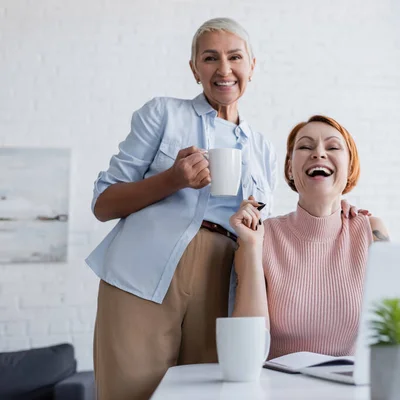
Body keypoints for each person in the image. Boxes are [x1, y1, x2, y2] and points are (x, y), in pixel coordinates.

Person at [86, 18, 277, 400]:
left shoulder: (262, 147)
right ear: (194, 69)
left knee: (205, 393)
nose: (224, 69)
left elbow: (264, 229)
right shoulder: (163, 114)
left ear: (252, 67)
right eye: (210, 58)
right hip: (143, 275)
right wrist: (173, 179)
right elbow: (103, 205)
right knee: (131, 392)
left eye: (235, 57)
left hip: (224, 278)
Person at [229, 115, 390, 359]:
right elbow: (245, 353)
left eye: (333, 147)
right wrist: (251, 246)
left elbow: (393, 336)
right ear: (290, 170)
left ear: (349, 168)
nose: (319, 153)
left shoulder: (371, 233)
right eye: (305, 147)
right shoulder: (261, 236)